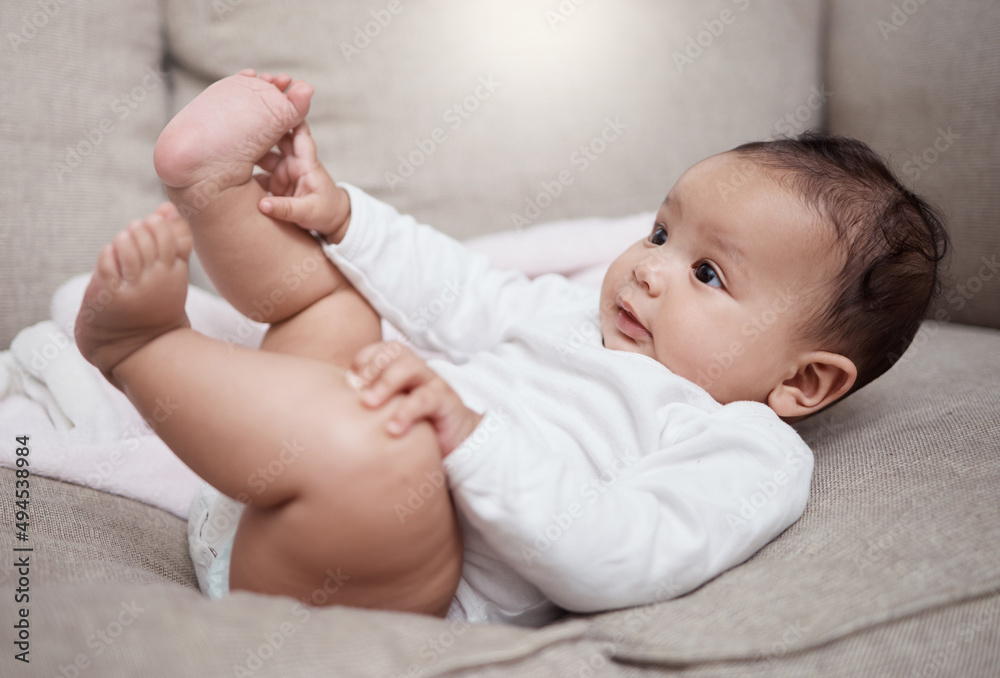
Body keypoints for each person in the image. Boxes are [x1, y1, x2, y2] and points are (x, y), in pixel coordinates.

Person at [73, 70, 948, 627]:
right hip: (270, 476)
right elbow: (458, 291)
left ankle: (140, 345)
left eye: (709, 275)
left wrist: (466, 435)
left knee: (393, 458)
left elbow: (617, 554)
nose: (647, 272)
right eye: (658, 233)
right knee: (336, 301)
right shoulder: (581, 321)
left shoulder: (742, 450)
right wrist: (344, 216)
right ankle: (217, 186)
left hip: (348, 575)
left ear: (802, 381)